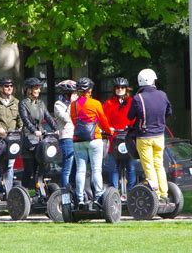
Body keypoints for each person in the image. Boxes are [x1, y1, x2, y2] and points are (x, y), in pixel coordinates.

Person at [128, 69, 172, 204]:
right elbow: (169, 112)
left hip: (144, 137)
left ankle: (156, 194)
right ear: (153, 80)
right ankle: (164, 193)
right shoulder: (162, 95)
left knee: (148, 166)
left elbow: (130, 116)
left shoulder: (138, 98)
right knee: (159, 165)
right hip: (159, 136)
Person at [70, 77, 113, 208]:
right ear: (89, 90)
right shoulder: (95, 103)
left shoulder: (73, 105)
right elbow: (103, 120)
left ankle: (80, 198)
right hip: (94, 138)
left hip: (78, 140)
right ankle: (98, 197)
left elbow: (74, 121)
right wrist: (108, 131)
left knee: (81, 171)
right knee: (96, 170)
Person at [19, 77, 58, 192]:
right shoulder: (23, 103)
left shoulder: (41, 103)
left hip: (40, 138)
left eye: (39, 88)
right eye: (36, 88)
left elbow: (48, 117)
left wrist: (56, 129)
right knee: (29, 170)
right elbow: (25, 119)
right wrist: (33, 130)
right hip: (28, 138)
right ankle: (23, 190)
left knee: (41, 167)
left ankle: (39, 190)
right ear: (29, 90)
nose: (39, 91)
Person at [0, 77, 23, 196]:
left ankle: (9, 192)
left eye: (11, 86)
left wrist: (20, 128)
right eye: (6, 86)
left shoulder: (16, 102)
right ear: (0, 88)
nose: (9, 88)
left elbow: (20, 118)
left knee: (9, 165)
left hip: (12, 138)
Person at [102, 77, 137, 195]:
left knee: (131, 168)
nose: (120, 89)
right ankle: (113, 194)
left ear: (126, 89)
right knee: (113, 168)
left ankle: (132, 192)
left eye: (122, 87)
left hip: (128, 138)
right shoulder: (108, 103)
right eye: (117, 87)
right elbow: (103, 119)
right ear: (114, 89)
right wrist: (108, 128)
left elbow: (135, 118)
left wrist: (132, 127)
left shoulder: (132, 102)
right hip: (114, 139)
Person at [54, 79, 78, 188]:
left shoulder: (76, 104)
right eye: (73, 93)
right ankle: (64, 191)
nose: (75, 95)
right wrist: (72, 104)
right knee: (67, 166)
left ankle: (73, 189)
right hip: (66, 137)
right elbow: (67, 118)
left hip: (76, 137)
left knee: (76, 166)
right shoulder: (58, 104)